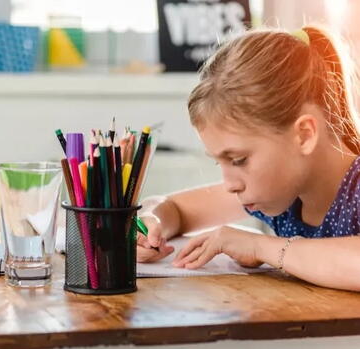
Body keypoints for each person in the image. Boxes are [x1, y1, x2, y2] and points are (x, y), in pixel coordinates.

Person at [137, 25, 360, 292]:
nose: (230, 184)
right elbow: (174, 208)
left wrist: (258, 246)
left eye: (239, 159)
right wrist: (151, 223)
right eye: (218, 161)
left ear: (303, 134)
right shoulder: (283, 191)